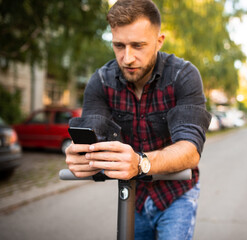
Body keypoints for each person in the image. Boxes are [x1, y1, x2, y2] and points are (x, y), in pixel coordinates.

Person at [65, 0, 211, 239]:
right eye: (119, 46)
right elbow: (93, 137)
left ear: (159, 41)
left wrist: (141, 162)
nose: (127, 58)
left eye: (138, 45)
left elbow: (190, 150)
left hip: (177, 192)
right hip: (133, 194)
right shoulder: (100, 81)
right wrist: (81, 156)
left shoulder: (184, 75)